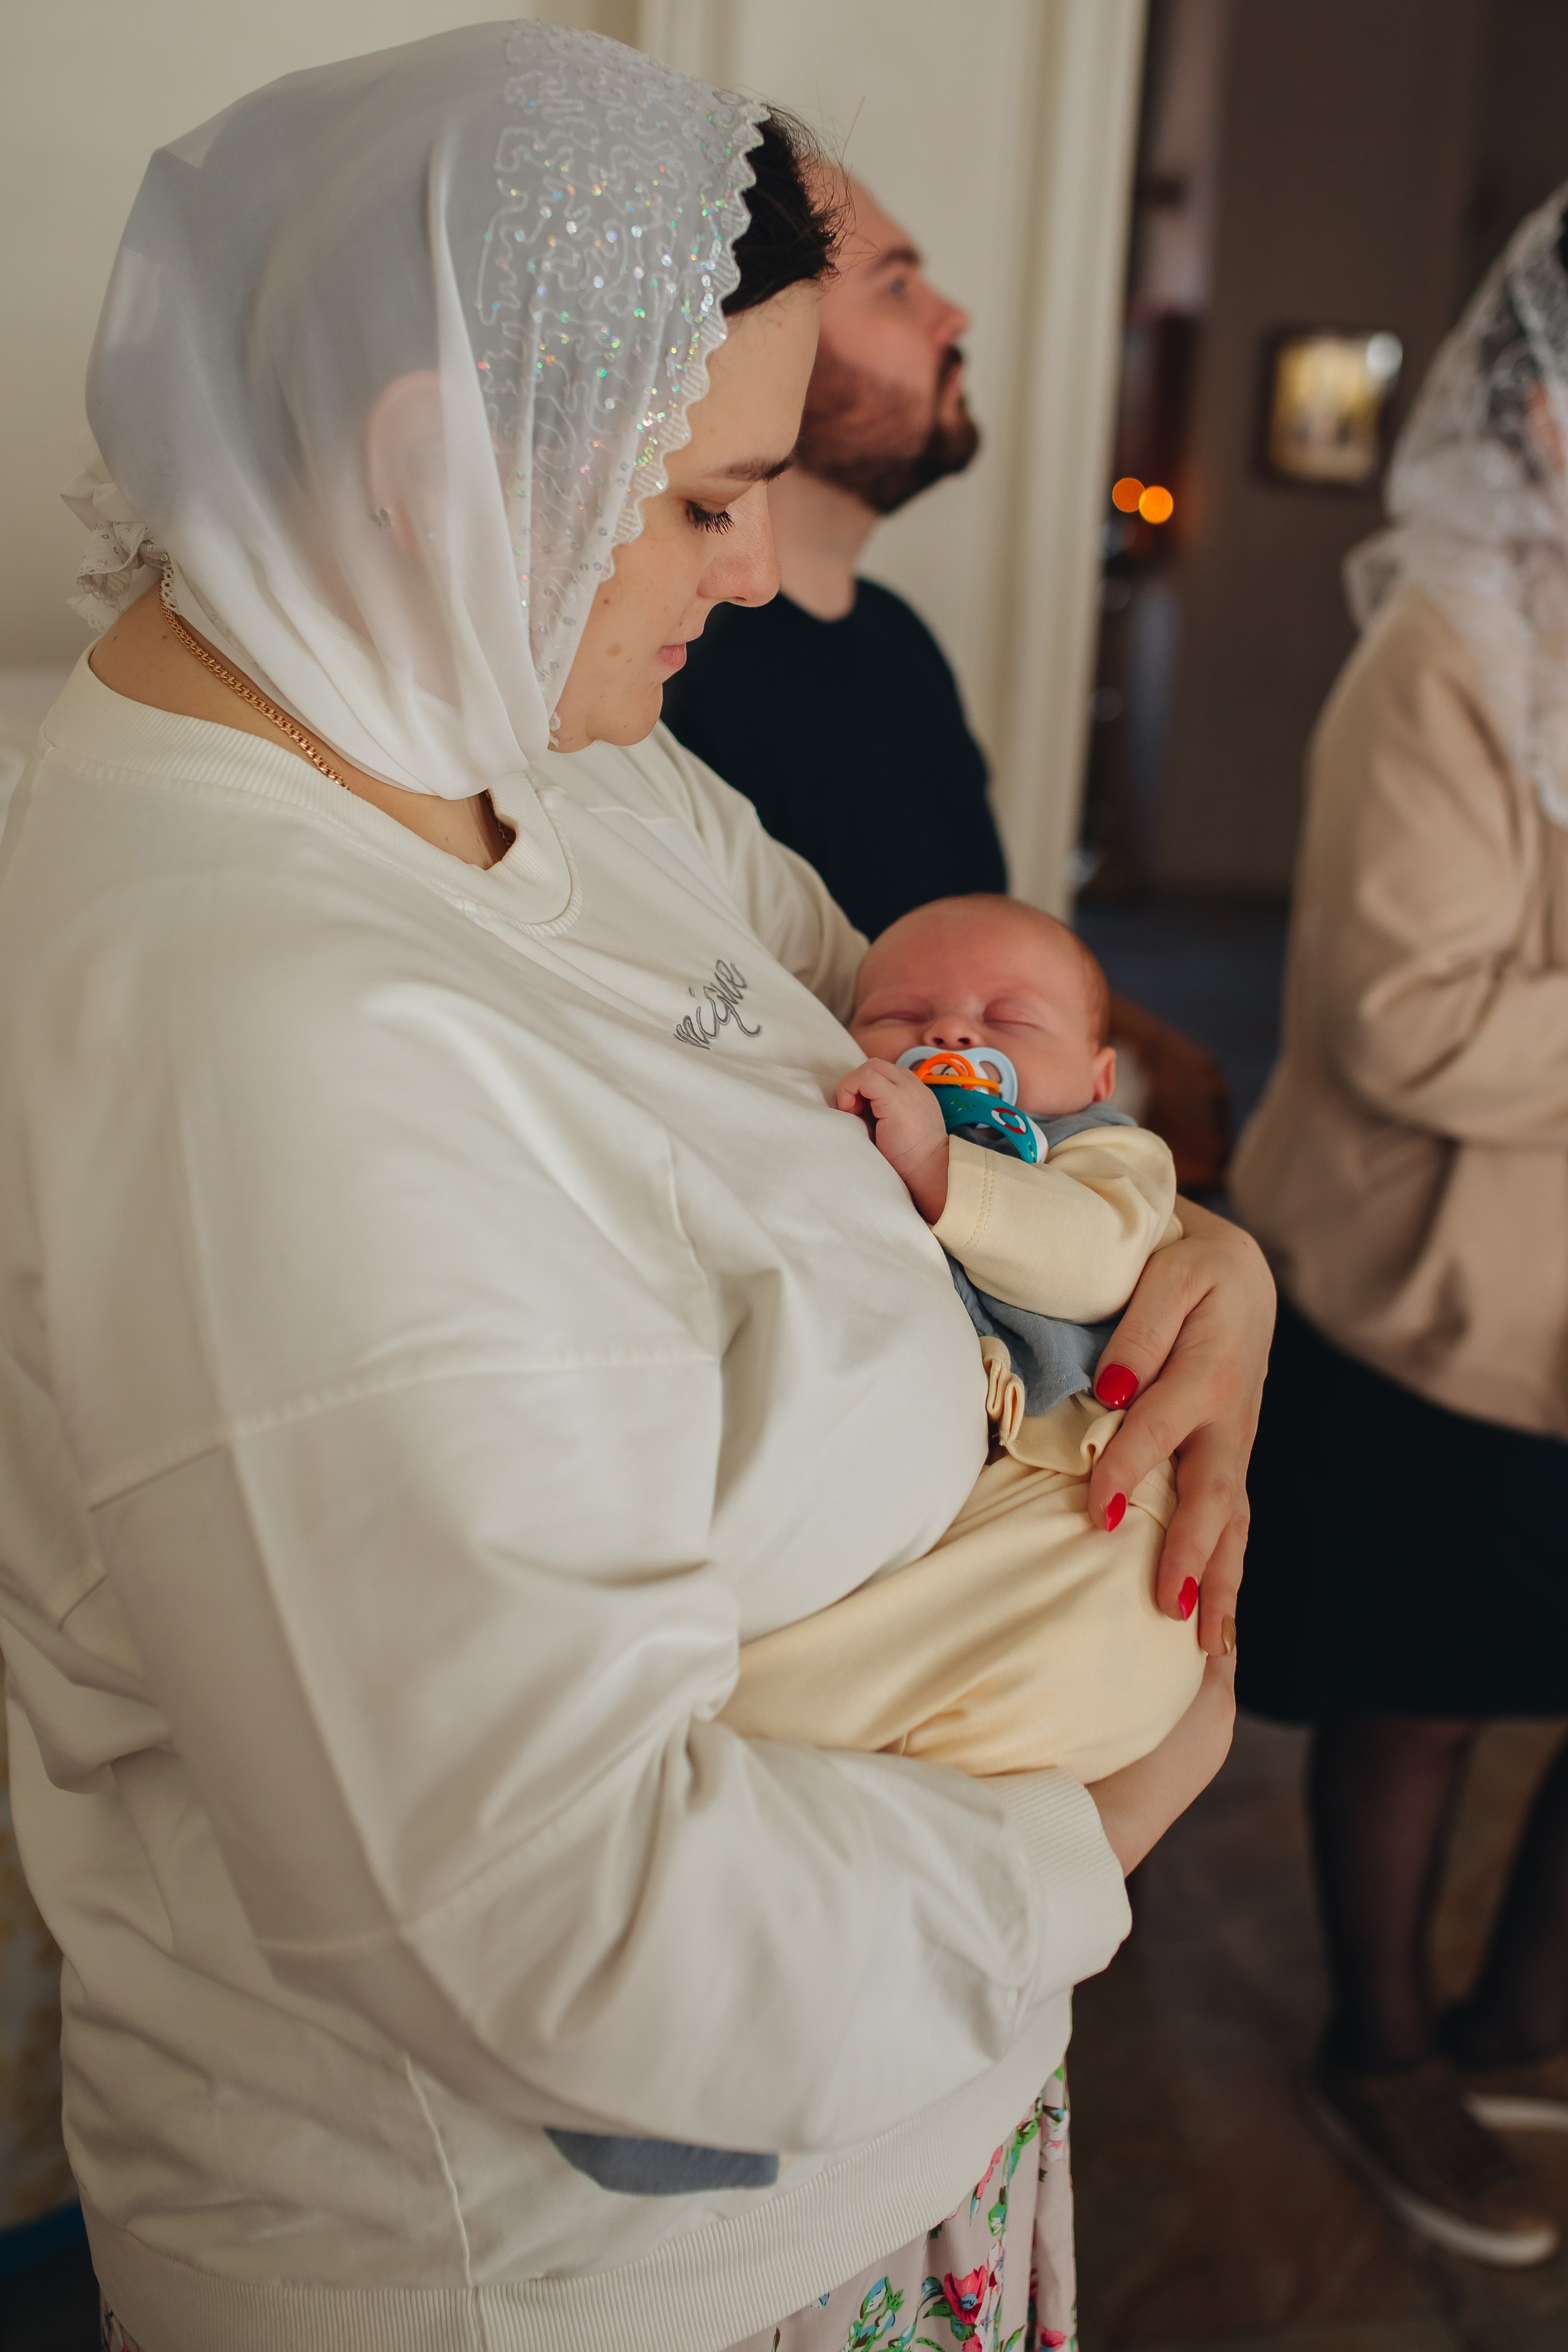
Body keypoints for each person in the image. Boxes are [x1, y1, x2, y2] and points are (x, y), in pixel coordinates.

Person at [0, 24, 1268, 2350]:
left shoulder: (524, 764)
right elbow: (570, 1935)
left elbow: (915, 1045)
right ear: (435, 461)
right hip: (612, 2269)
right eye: (709, 503)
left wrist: (1200, 1265)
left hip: (883, 2121)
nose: (775, 581)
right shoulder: (267, 1037)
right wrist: (1105, 1818)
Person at [1232, 186, 1568, 2269]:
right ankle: (1380, 2049)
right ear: (1545, 414)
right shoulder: (1448, 650)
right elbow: (1401, 1019)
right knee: (1423, 1691)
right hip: (1434, 1290)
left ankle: (1525, 2018)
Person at [662, 172, 1234, 1192]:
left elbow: (952, 941)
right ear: (775, 348)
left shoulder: (898, 641)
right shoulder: (671, 663)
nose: (955, 316)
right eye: (895, 288)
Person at [729, 894, 1207, 1783]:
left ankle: (753, 1728)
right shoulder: (850, 1118)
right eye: (900, 1016)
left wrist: (941, 1169)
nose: (949, 1031)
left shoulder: (1107, 1151)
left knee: (1109, 1642)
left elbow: (1095, 1262)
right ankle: (752, 1724)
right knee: (866, 1651)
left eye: (1009, 1018)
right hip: (936, 1486)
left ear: (1100, 1076)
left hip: (1070, 1472)